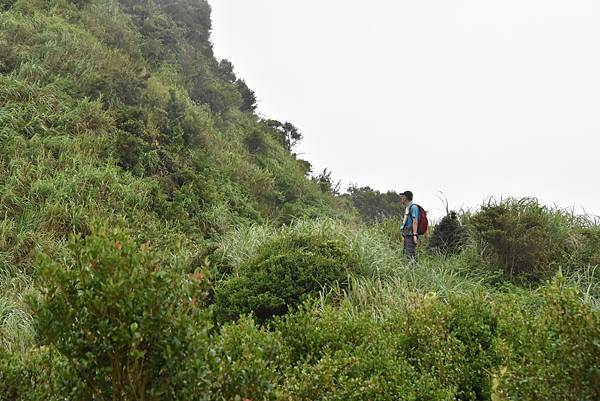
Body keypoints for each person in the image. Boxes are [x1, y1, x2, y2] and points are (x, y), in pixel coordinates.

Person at [400, 190, 419, 261]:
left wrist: (414, 235)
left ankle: (413, 270)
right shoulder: (407, 208)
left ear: (406, 198)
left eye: (402, 196)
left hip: (411, 235)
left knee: (410, 255)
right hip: (407, 234)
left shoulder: (413, 207)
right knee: (406, 254)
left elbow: (415, 221)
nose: (401, 198)